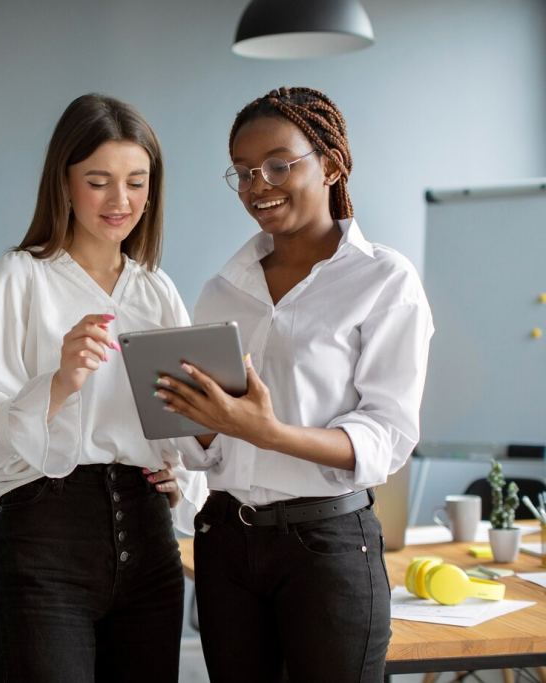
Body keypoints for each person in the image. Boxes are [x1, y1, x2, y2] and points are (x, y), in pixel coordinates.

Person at [155, 86, 434, 683]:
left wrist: (269, 431)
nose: (259, 186)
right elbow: (211, 448)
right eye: (243, 172)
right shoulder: (222, 288)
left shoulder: (384, 280)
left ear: (331, 164)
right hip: (225, 541)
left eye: (279, 164)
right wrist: (201, 423)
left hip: (327, 543)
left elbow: (387, 437)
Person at [0, 93, 207, 683]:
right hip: (44, 542)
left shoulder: (156, 290)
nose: (121, 201)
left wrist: (182, 470)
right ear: (63, 183)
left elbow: (176, 418)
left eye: (136, 182)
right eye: (99, 181)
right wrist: (59, 383)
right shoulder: (20, 276)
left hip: (148, 540)